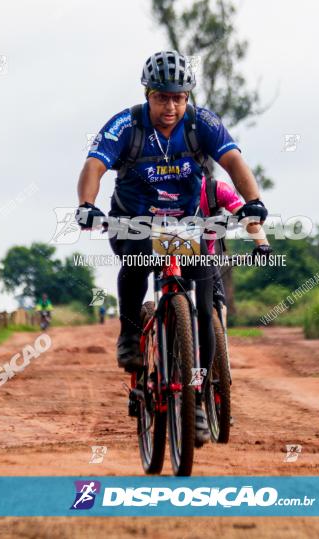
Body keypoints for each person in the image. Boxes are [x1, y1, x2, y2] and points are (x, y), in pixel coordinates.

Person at [75, 50, 269, 444]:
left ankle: (196, 395)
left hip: (187, 223)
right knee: (135, 266)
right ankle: (130, 334)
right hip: (133, 219)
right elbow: (94, 166)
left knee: (202, 306)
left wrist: (254, 201)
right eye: (163, 97)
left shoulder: (202, 123)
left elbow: (234, 163)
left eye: (179, 97)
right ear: (148, 95)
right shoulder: (125, 125)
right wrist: (86, 206)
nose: (172, 105)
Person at [199, 174, 271, 320]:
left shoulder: (216, 189)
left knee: (218, 305)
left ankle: (220, 338)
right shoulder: (158, 187)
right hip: (166, 253)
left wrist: (263, 244)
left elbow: (247, 218)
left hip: (206, 256)